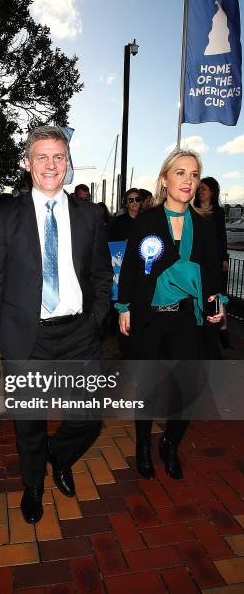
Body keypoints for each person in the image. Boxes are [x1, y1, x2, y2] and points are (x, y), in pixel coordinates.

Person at [0, 125, 112, 524]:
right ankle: (34, 485)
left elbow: (102, 277)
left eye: (58, 157)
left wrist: (95, 322)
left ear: (67, 163)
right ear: (27, 164)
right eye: (41, 156)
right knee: (29, 422)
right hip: (25, 337)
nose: (50, 164)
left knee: (90, 413)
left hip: (78, 334)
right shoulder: (6, 215)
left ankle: (60, 456)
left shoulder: (90, 215)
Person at [116, 149, 225, 481]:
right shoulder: (147, 221)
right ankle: (143, 449)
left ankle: (169, 442)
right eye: (180, 173)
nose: (188, 181)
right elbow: (133, 269)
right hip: (149, 317)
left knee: (188, 388)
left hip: (185, 320)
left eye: (193, 175)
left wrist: (217, 303)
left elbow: (213, 275)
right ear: (165, 179)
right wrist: (124, 307)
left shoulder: (204, 226)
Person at [194, 176, 230, 349]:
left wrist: (224, 258)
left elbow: (222, 236)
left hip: (215, 260)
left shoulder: (219, 212)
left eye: (204, 189)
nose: (200, 191)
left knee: (217, 296)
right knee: (199, 293)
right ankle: (200, 329)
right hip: (198, 260)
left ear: (212, 192)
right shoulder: (193, 209)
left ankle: (221, 332)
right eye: (199, 188)